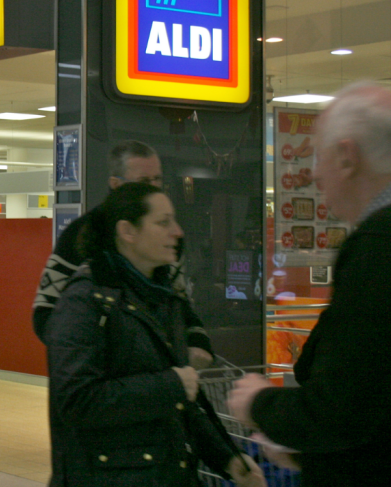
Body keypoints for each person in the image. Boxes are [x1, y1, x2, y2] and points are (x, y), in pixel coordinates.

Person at [227, 83, 391, 486]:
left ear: (347, 156)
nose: (315, 173)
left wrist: (259, 403)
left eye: (319, 155)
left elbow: (340, 411)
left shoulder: (390, 243)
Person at [46, 182, 263, 487]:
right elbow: (77, 400)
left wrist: (229, 459)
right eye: (163, 222)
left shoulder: (164, 298)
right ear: (128, 232)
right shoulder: (84, 301)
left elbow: (182, 402)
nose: (177, 232)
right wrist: (170, 385)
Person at [34, 140, 213, 369]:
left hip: (161, 381)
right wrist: (87, 359)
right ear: (115, 184)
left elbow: (178, 302)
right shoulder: (81, 235)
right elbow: (45, 313)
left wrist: (197, 340)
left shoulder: (170, 239)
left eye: (157, 179)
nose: (153, 188)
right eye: (144, 181)